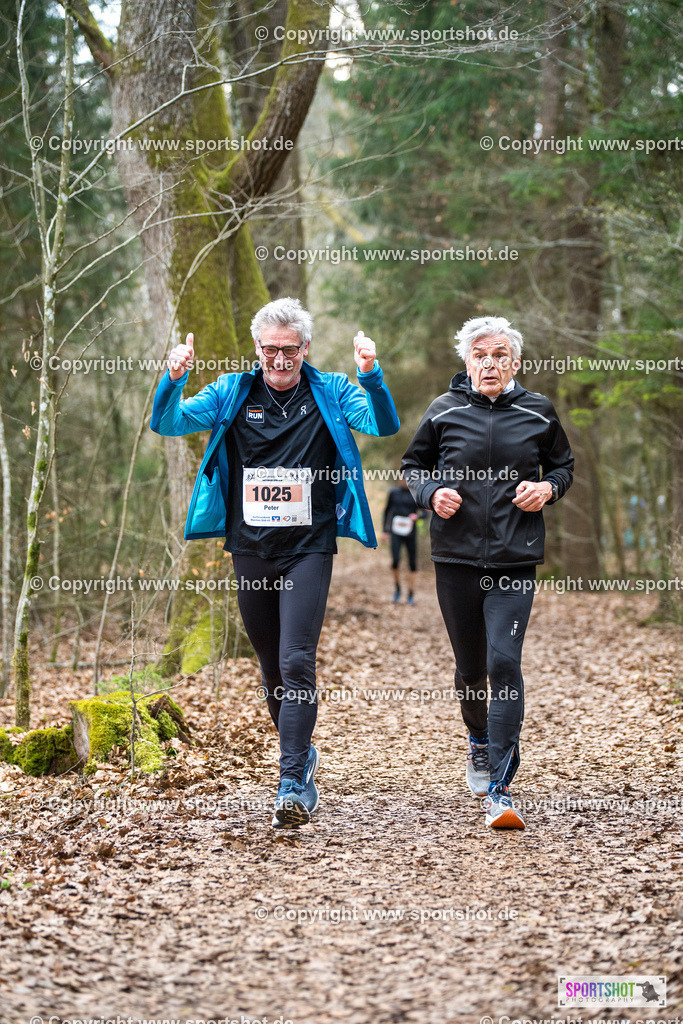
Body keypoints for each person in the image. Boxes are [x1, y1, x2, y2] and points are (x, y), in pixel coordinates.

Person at [151, 297, 400, 828]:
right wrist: (173, 379)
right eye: (269, 349)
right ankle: (303, 754)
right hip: (251, 549)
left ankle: (291, 781)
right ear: (257, 348)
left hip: (309, 546)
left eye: (289, 349)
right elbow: (167, 424)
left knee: (296, 661)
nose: (279, 359)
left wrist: (372, 375)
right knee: (271, 668)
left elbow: (382, 425)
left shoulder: (330, 390)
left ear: (305, 348)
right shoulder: (232, 391)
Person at [401, 315, 573, 829]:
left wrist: (548, 489)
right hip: (455, 559)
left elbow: (563, 466)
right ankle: (478, 740)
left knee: (504, 665)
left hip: (514, 559)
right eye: (480, 355)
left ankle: (500, 787)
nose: (490, 364)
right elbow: (412, 466)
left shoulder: (539, 412)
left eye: (500, 355)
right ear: (467, 361)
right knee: (471, 670)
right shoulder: (443, 411)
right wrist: (432, 493)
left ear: (515, 362)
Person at [382, 478, 424, 604]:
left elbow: (426, 513)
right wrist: (385, 530)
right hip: (396, 531)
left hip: (411, 532)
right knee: (395, 560)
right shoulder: (394, 492)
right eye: (403, 478)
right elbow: (387, 511)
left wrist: (417, 516)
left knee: (412, 563)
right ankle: (397, 589)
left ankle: (411, 593)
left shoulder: (416, 493)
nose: (405, 480)